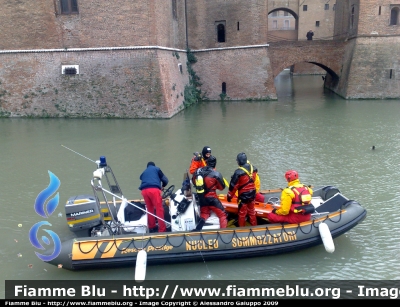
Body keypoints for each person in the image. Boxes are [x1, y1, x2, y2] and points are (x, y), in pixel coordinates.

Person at [192, 155, 227, 231]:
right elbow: (222, 187)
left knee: (204, 213)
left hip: (201, 197)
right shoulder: (216, 174)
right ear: (215, 164)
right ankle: (223, 234)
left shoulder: (198, 171)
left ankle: (198, 228)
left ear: (206, 162)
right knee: (222, 215)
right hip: (212, 198)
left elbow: (194, 181)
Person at [226, 152, 257, 227]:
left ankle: (241, 230)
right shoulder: (254, 168)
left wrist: (229, 197)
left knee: (242, 214)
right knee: (252, 212)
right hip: (252, 193)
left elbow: (233, 186)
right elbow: (253, 180)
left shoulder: (238, 172)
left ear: (239, 161)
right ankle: (255, 227)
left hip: (243, 196)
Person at [138, 161, 169, 232]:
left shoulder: (144, 172)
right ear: (154, 166)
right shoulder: (157, 169)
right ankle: (162, 229)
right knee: (159, 209)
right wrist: (163, 186)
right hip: (154, 190)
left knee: (150, 209)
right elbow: (166, 180)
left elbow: (142, 179)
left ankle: (152, 227)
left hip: (144, 191)